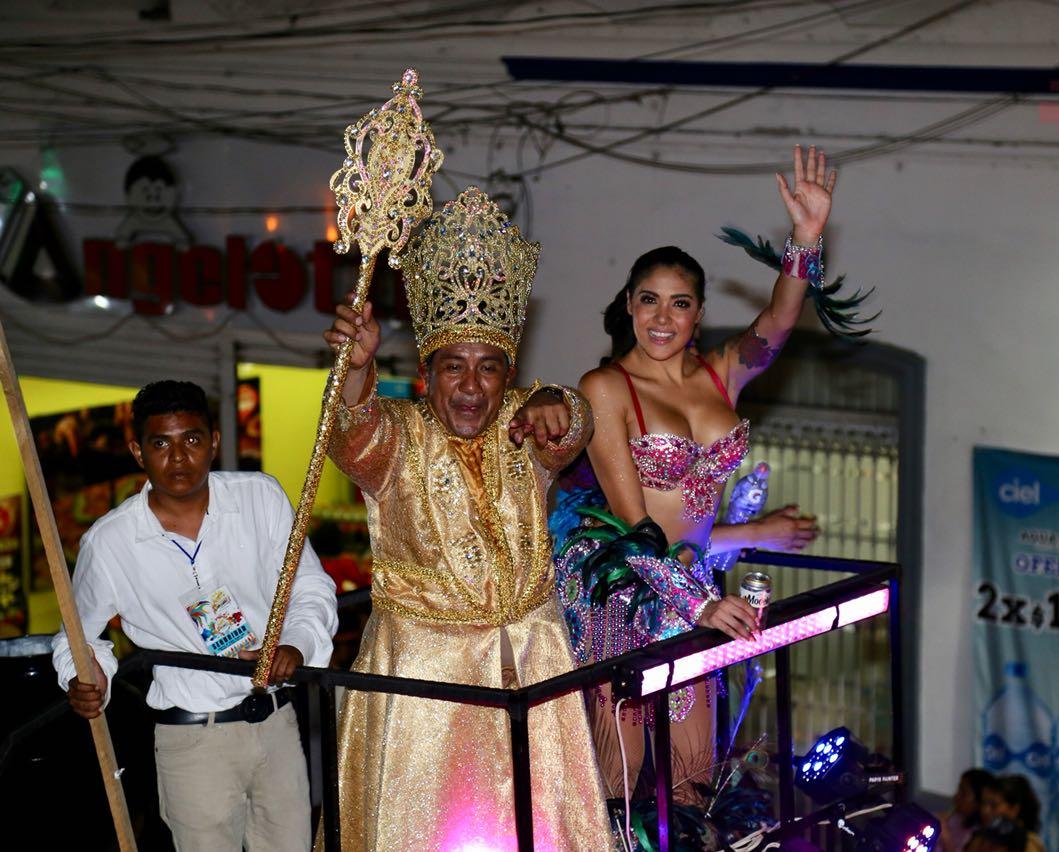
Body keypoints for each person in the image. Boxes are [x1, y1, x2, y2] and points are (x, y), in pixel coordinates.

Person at [321, 186, 610, 849]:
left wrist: (557, 402)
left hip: (529, 662)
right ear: (427, 374)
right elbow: (352, 433)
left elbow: (572, 428)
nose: (472, 387)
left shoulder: (522, 425)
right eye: (455, 368)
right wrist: (357, 372)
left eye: (489, 370)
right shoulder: (398, 437)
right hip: (425, 680)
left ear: (509, 377)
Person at [556, 144, 834, 805]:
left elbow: (780, 320)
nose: (662, 317)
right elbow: (633, 527)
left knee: (691, 785)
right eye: (649, 300)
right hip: (625, 596)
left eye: (679, 304)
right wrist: (700, 602)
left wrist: (806, 238)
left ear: (699, 314)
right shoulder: (606, 386)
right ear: (628, 304)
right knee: (621, 795)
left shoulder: (721, 374)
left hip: (697, 588)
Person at [51, 380, 338, 851]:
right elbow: (77, 637)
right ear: (138, 452)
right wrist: (86, 677)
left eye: (192, 439)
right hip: (193, 744)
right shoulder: (110, 542)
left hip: (276, 725)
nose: (179, 458)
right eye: (161, 443)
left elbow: (311, 587)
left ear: (214, 442)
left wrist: (297, 644)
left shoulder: (259, 498)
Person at [941, 768, 995, 852]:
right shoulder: (955, 817)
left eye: (964, 793)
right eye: (959, 790)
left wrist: (945, 836)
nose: (956, 796)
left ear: (978, 802)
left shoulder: (977, 836)